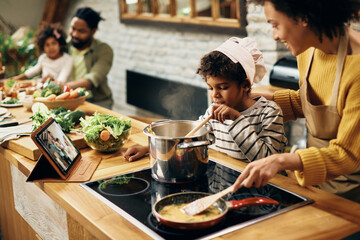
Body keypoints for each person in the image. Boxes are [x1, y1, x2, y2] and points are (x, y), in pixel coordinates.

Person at [232, 0, 360, 203]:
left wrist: (281, 160)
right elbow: (309, 104)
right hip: (314, 183)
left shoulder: (357, 69)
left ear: (303, 19)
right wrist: (252, 102)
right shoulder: (309, 49)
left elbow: (347, 155)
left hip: (350, 194)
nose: (275, 35)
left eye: (275, 25)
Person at [124, 37, 287, 162]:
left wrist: (237, 119)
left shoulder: (268, 112)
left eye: (222, 87)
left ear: (245, 85)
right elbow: (190, 138)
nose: (215, 95)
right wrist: (149, 148)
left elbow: (268, 160)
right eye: (211, 88)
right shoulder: (213, 112)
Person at [57, 7, 114, 109]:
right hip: (67, 98)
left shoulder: (104, 50)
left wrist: (64, 86)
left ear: (93, 31)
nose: (75, 34)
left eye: (81, 31)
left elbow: (92, 79)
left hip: (96, 101)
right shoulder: (64, 46)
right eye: (73, 28)